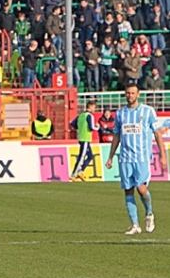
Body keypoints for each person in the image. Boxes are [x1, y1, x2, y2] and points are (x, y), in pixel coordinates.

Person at [105, 83, 167, 235]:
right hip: (125, 158)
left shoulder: (147, 111)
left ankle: (149, 213)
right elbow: (117, 136)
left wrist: (162, 155)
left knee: (141, 188)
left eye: (133, 93)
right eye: (127, 93)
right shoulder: (120, 113)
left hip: (142, 157)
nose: (130, 96)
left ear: (138, 94)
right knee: (128, 190)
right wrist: (111, 156)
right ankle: (135, 225)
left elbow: (158, 133)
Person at [69, 101, 99, 182]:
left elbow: (73, 124)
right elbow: (92, 127)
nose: (94, 109)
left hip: (81, 138)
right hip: (85, 139)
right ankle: (73, 174)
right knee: (81, 157)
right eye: (94, 107)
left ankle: (81, 172)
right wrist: (98, 127)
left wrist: (81, 128)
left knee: (90, 156)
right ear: (91, 106)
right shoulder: (89, 116)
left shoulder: (80, 115)